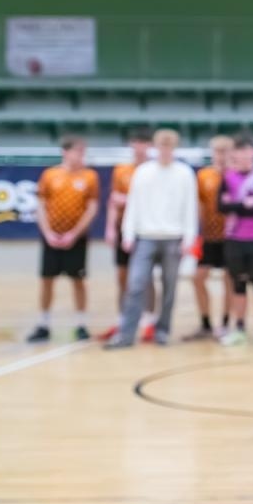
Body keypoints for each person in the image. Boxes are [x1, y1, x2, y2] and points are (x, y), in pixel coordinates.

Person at [107, 128, 197, 348]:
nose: (165, 150)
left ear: (174, 148)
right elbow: (133, 205)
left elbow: (190, 208)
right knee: (136, 284)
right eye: (162, 146)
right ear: (155, 148)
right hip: (145, 237)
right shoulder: (144, 172)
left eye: (169, 146)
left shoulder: (184, 173)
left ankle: (162, 331)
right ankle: (126, 334)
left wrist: (189, 238)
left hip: (173, 238)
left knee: (170, 287)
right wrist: (128, 234)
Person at [26, 136, 99, 343]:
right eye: (77, 151)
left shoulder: (89, 177)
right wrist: (48, 232)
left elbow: (92, 208)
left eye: (83, 152)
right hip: (51, 236)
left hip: (76, 237)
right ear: (65, 152)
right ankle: (44, 323)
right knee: (47, 279)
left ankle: (81, 324)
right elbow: (40, 205)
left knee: (78, 280)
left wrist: (75, 233)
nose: (80, 156)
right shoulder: (50, 175)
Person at [219, 137, 253, 347]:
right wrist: (245, 204)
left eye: (247, 152)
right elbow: (221, 206)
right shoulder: (228, 177)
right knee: (238, 284)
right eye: (239, 152)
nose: (243, 156)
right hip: (235, 238)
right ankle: (239, 327)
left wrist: (235, 204)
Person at [102, 128, 154, 343]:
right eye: (136, 142)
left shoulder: (154, 171)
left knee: (147, 277)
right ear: (131, 145)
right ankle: (123, 319)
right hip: (124, 228)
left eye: (144, 142)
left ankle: (149, 320)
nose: (140, 147)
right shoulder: (121, 170)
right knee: (122, 275)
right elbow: (114, 200)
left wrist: (130, 200)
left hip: (147, 228)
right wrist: (110, 228)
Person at [184, 134, 234, 342]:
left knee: (228, 279)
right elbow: (199, 205)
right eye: (217, 151)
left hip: (230, 238)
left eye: (225, 151)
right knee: (198, 278)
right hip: (208, 236)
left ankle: (225, 324)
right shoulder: (204, 175)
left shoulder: (235, 176)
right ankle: (205, 323)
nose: (221, 156)